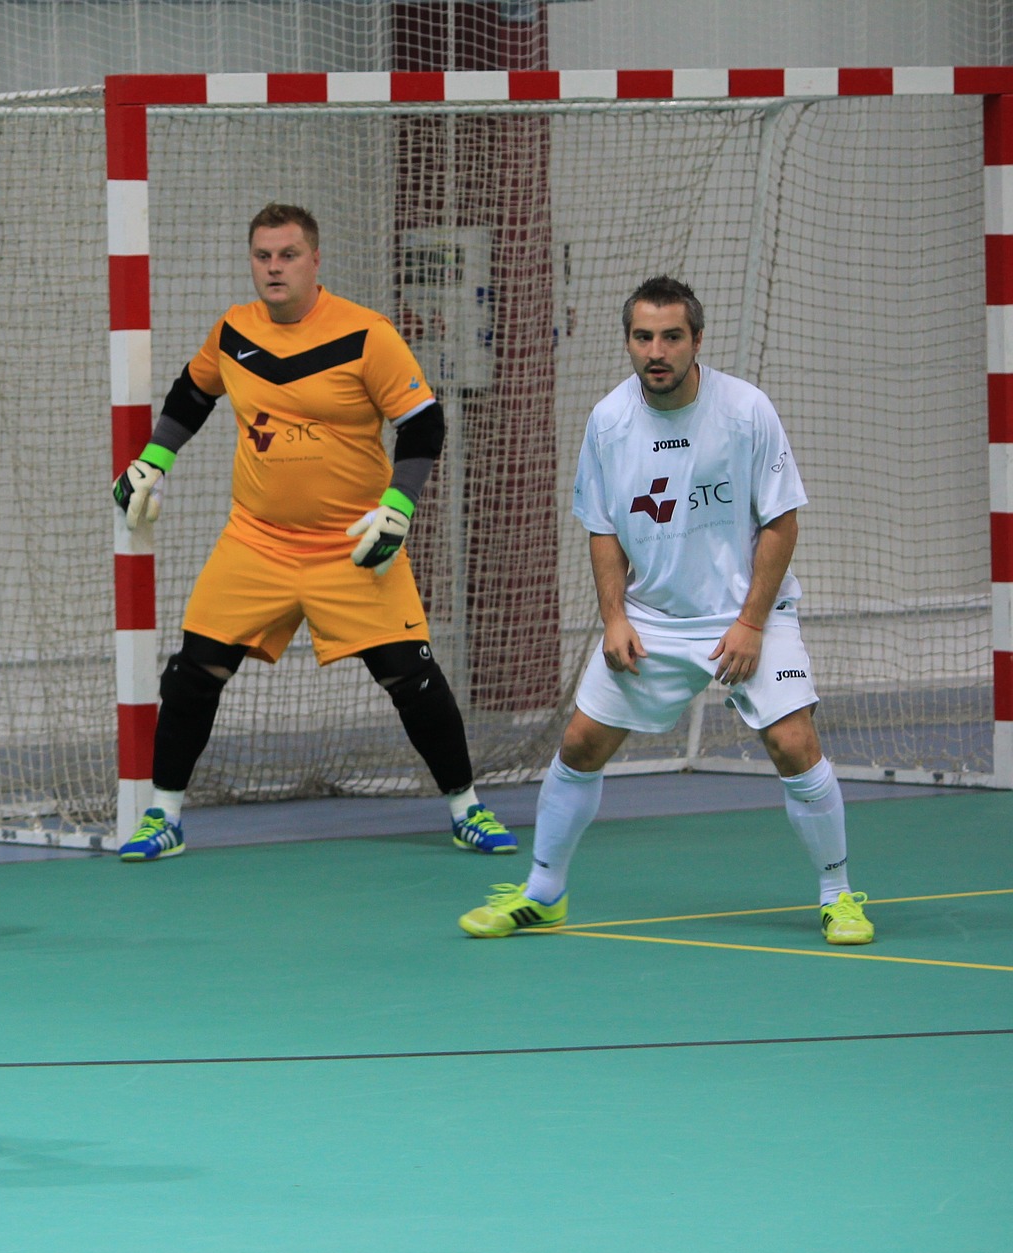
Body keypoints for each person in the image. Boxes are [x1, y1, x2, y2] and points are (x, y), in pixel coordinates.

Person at [457, 276, 874, 945]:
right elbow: (601, 527)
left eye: (671, 336)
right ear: (628, 341)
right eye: (643, 336)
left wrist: (752, 623)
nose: (657, 350)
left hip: (746, 611)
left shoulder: (746, 411)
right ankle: (543, 893)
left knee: (792, 742)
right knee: (580, 743)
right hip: (652, 617)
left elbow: (781, 522)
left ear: (697, 341)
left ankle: (839, 895)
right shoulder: (609, 421)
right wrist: (615, 618)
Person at [112, 202, 517, 862]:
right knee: (192, 673)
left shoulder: (366, 334)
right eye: (263, 256)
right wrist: (153, 460)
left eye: (288, 255)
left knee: (411, 677)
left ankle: (467, 809)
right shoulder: (232, 332)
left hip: (351, 547)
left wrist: (397, 507)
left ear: (315, 260)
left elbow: (422, 425)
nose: (274, 268)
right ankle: (165, 816)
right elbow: (191, 395)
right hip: (255, 541)